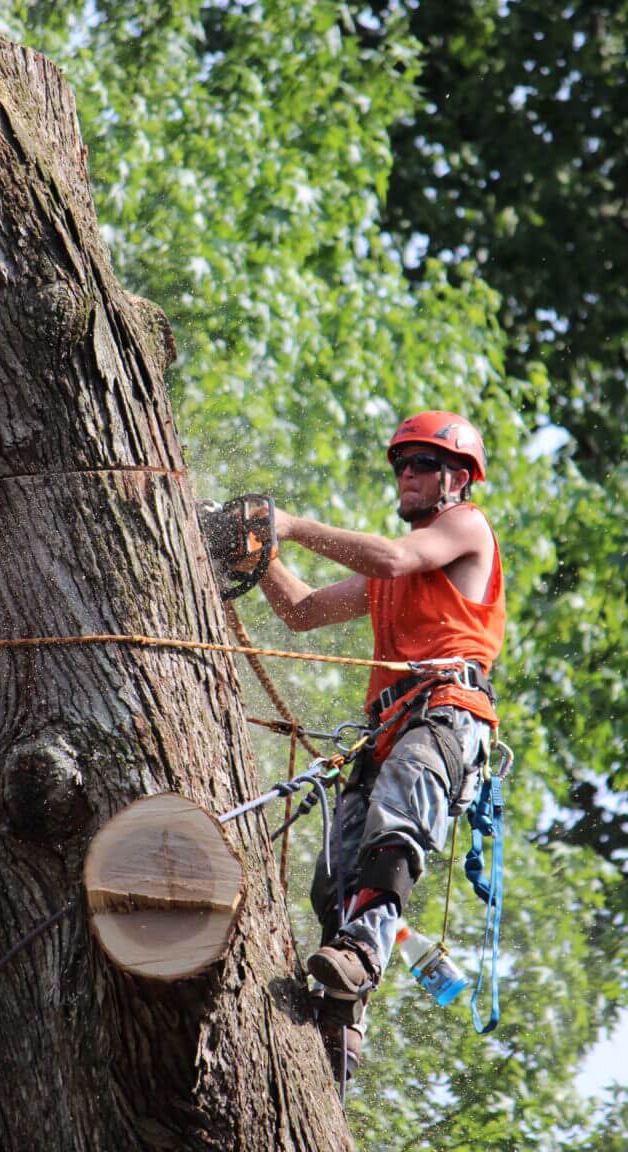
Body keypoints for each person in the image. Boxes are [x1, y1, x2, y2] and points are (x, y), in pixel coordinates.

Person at [259, 410, 505, 1082]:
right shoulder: (390, 576)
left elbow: (393, 555)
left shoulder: (465, 527)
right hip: (389, 729)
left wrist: (292, 526)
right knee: (335, 874)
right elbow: (303, 611)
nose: (407, 474)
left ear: (457, 478)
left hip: (446, 716)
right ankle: (342, 1018)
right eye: (401, 464)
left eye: (423, 463)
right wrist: (258, 557)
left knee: (396, 820)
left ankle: (363, 956)